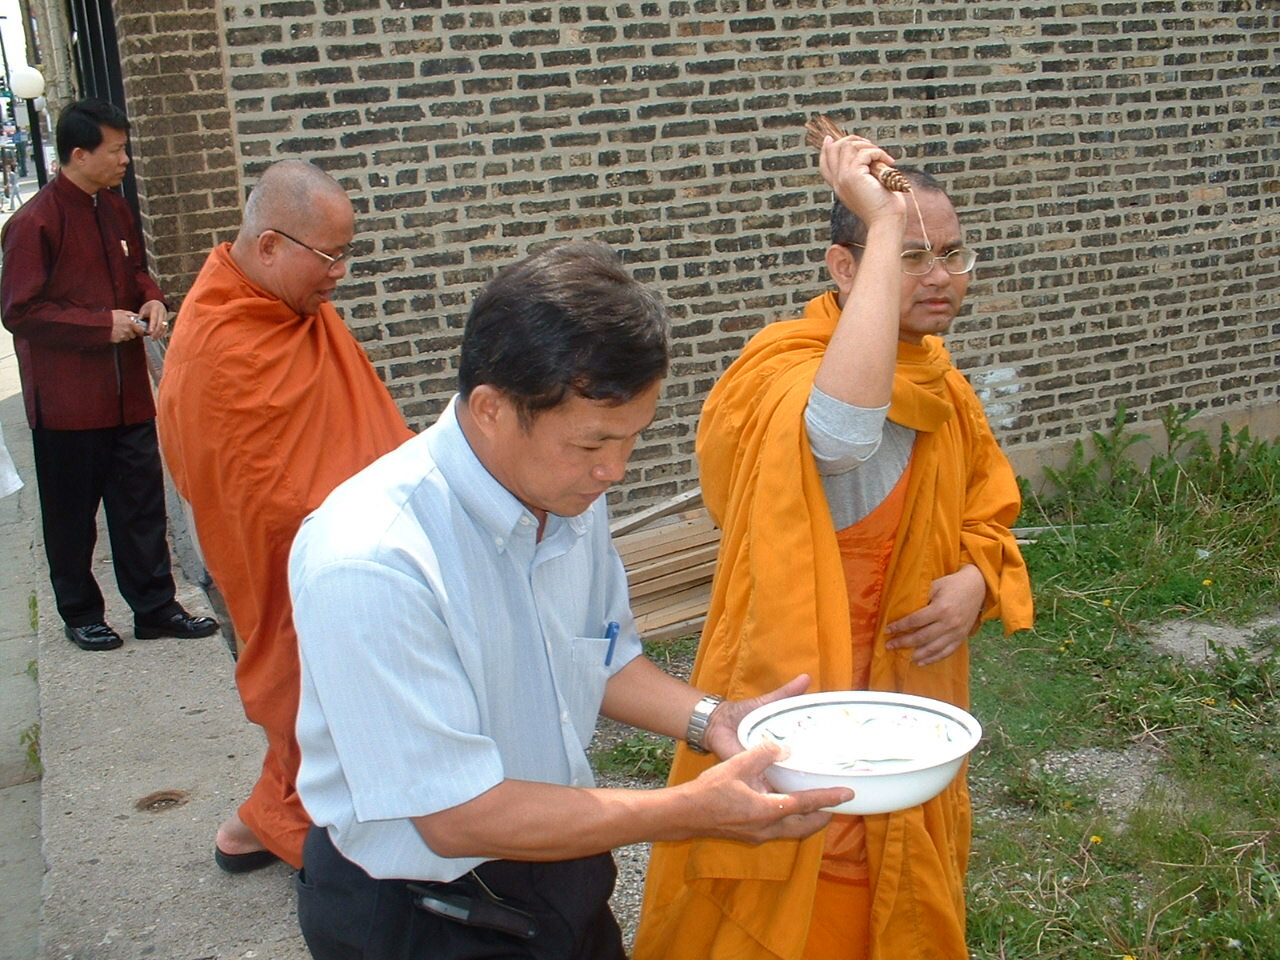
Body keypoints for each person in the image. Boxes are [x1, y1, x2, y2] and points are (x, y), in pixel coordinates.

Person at [287, 240, 854, 960]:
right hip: (422, 910)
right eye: (592, 444)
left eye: (631, 441)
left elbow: (602, 654)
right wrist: (686, 811)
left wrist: (714, 718)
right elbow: (455, 817)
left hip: (562, 860)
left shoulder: (564, 495)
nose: (613, 471)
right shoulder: (372, 561)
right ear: (492, 409)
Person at [635, 138, 1035, 959]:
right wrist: (880, 220)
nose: (939, 278)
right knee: (800, 888)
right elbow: (842, 435)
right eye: (910, 254)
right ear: (845, 268)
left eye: (953, 255)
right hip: (799, 696)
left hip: (904, 703)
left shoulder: (942, 383)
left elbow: (987, 514)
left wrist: (976, 580)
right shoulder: (789, 371)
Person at [156, 159, 414, 875]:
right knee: (315, 677)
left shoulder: (287, 308)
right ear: (269, 246)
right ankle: (304, 836)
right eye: (330, 257)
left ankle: (262, 823)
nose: (339, 275)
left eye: (347, 254)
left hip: (350, 541)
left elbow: (353, 423)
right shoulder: (222, 347)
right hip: (292, 566)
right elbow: (274, 507)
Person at [0, 98, 217, 653]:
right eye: (116, 149)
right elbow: (19, 311)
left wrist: (151, 301)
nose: (125, 159)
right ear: (79, 153)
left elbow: (137, 272)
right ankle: (81, 613)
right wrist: (101, 325)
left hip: (128, 396)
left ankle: (155, 605)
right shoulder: (35, 223)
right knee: (72, 516)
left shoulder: (115, 209)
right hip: (68, 402)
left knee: (140, 504)